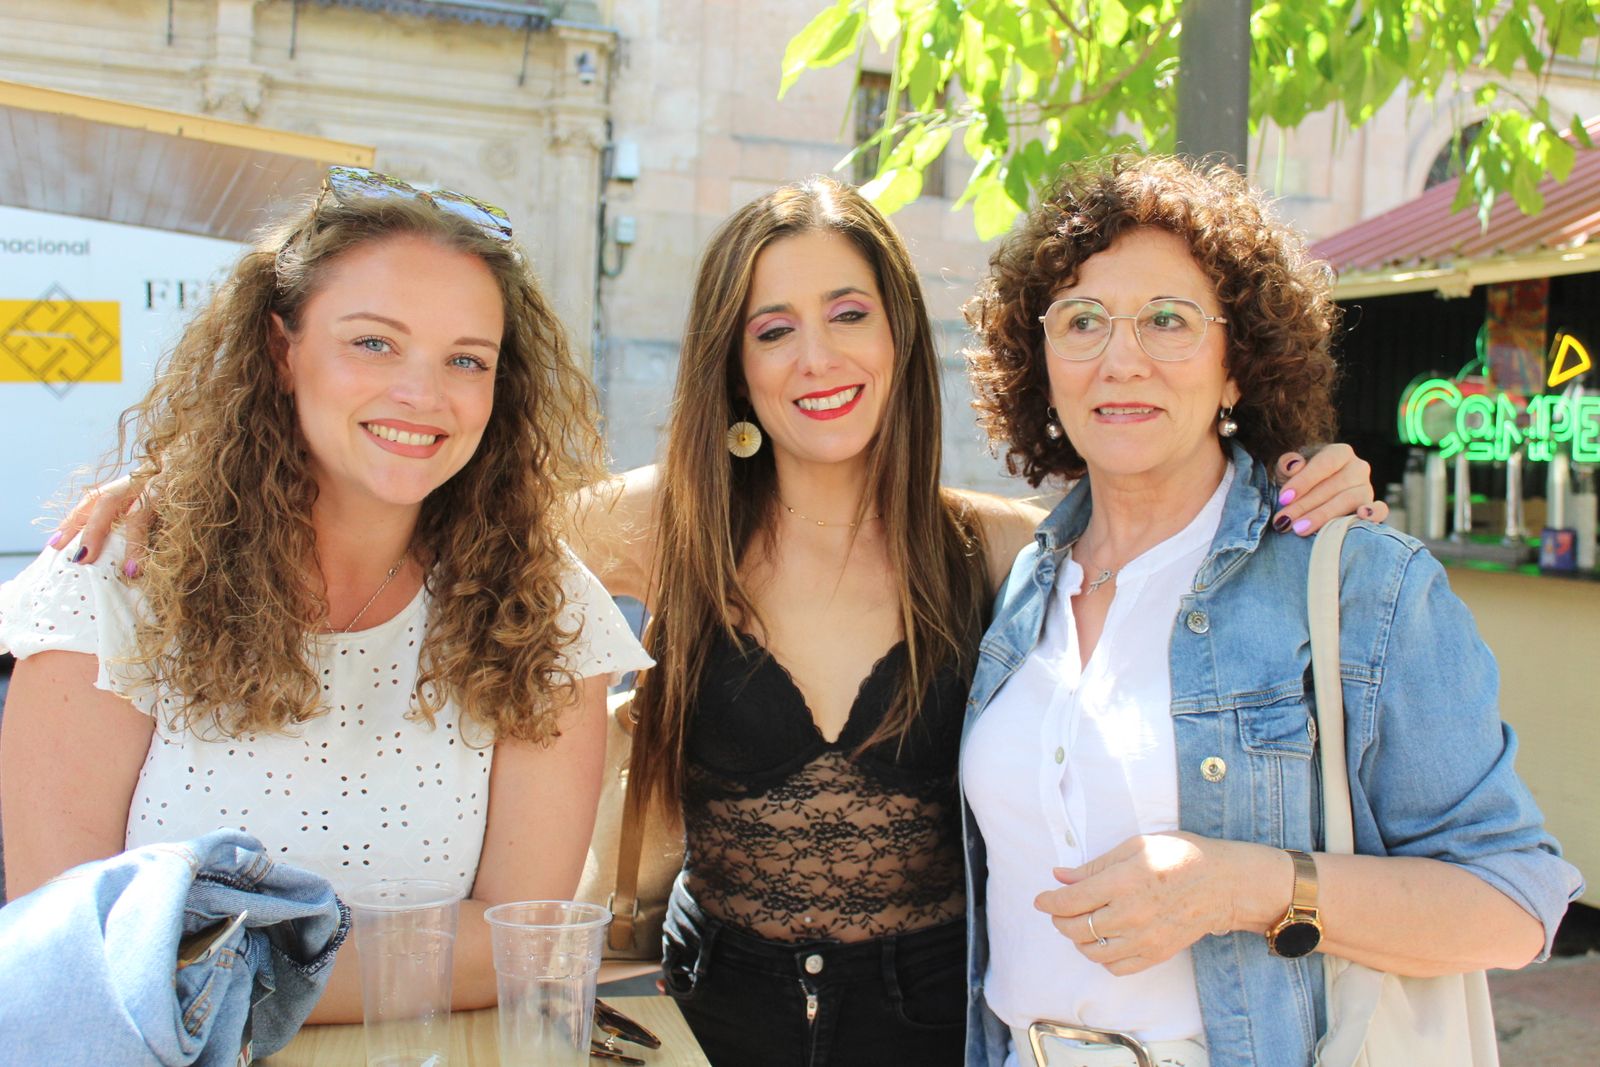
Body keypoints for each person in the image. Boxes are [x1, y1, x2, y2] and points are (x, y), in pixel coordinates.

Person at [50, 176, 1380, 1064]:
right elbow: (415, 480)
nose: (816, 358)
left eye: (849, 314)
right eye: (772, 327)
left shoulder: (1001, 552)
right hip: (706, 1020)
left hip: (939, 1027)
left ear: (900, 338)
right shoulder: (647, 529)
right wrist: (188, 488)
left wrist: (1312, 478)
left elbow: (1187, 549)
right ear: (733, 363)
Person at [958, 155, 1584, 1067]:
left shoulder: (1359, 583)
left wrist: (1244, 886)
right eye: (1082, 320)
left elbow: (1517, 902)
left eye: (1168, 320)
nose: (1119, 357)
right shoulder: (1020, 581)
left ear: (1235, 368)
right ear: (1041, 362)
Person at [0, 167, 653, 1023]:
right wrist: (385, 960)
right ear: (282, 350)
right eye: (374, 342)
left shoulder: (539, 606)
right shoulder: (119, 576)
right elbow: (72, 950)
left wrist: (204, 965)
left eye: (466, 359)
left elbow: (513, 940)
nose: (423, 393)